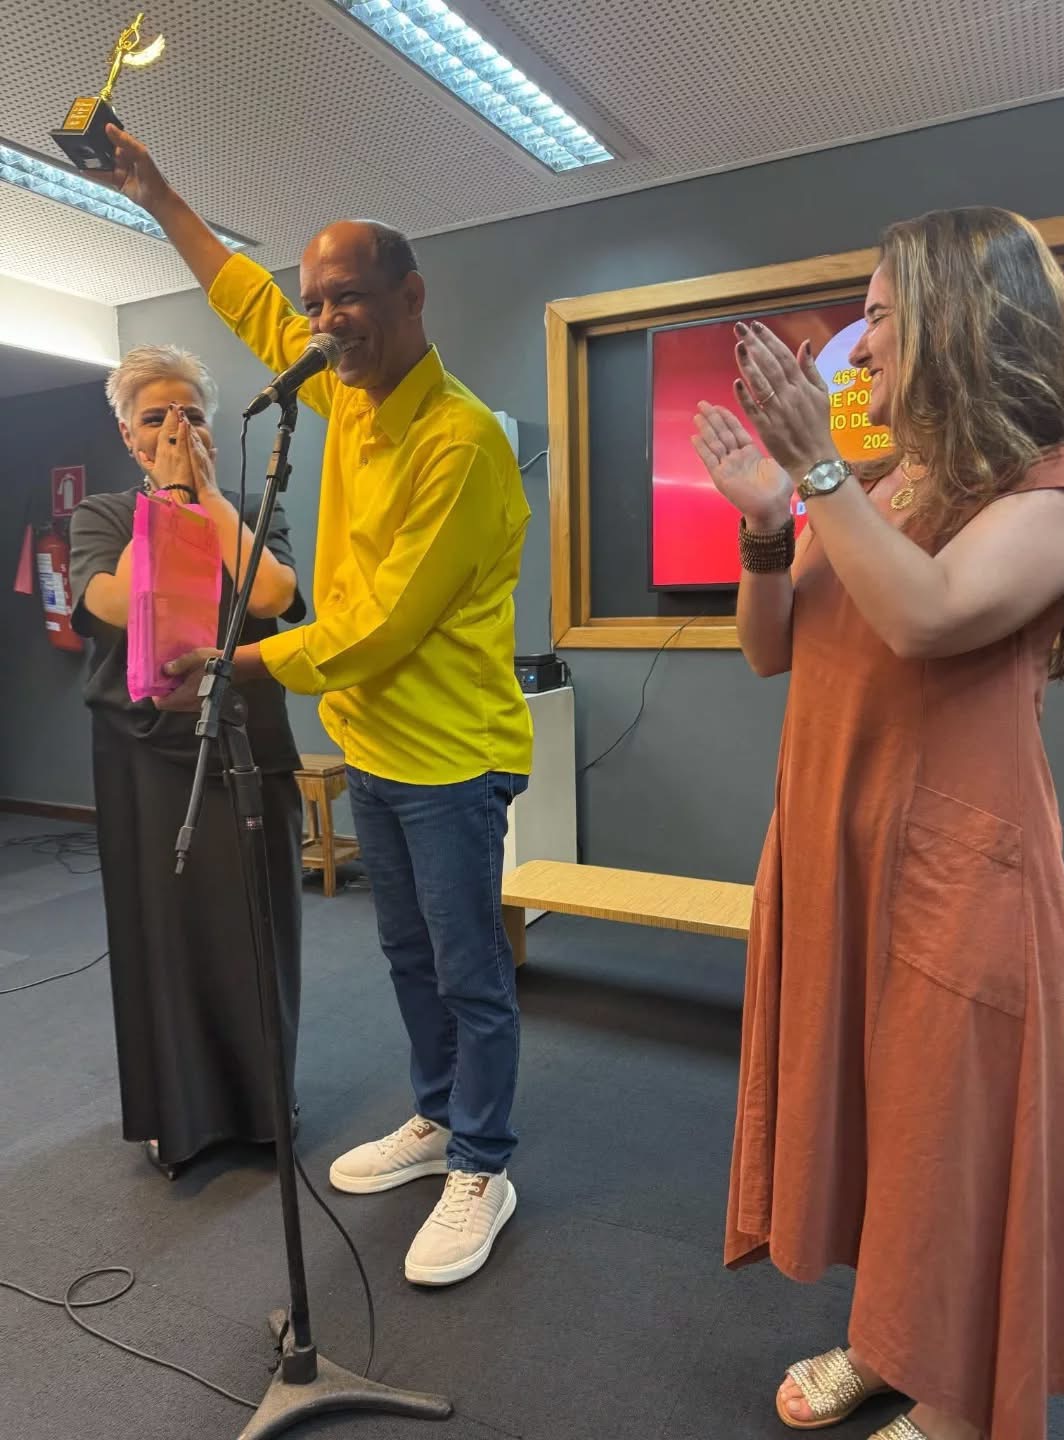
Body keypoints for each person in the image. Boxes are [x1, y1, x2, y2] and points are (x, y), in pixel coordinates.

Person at [98, 126, 533, 1286]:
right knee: (406, 955)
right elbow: (246, 298)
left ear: (411, 296)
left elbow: (380, 627)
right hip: (376, 748)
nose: (325, 319)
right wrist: (158, 192)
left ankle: (485, 1163)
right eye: (316, 303)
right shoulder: (344, 398)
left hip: (452, 758)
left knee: (470, 973)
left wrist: (235, 662)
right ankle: (438, 1115)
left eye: (348, 297)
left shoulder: (460, 444)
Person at [691, 206, 1064, 1440]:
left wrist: (814, 474)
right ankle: (888, 1337)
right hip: (838, 852)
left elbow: (928, 616)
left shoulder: (1054, 489)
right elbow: (770, 651)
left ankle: (961, 1402)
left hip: (958, 877)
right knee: (880, 1127)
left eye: (882, 317)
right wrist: (767, 523)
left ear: (962, 323)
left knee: (947, 1145)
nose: (858, 349)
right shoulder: (885, 480)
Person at [69, 344, 306, 1179]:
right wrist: (169, 500)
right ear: (128, 436)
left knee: (256, 931)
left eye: (193, 415)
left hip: (245, 742)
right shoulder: (103, 515)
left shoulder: (251, 506)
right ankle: (180, 1116)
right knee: (161, 937)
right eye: (155, 417)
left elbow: (271, 595)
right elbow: (114, 603)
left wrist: (205, 496)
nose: (177, 429)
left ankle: (266, 1110)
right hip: (143, 753)